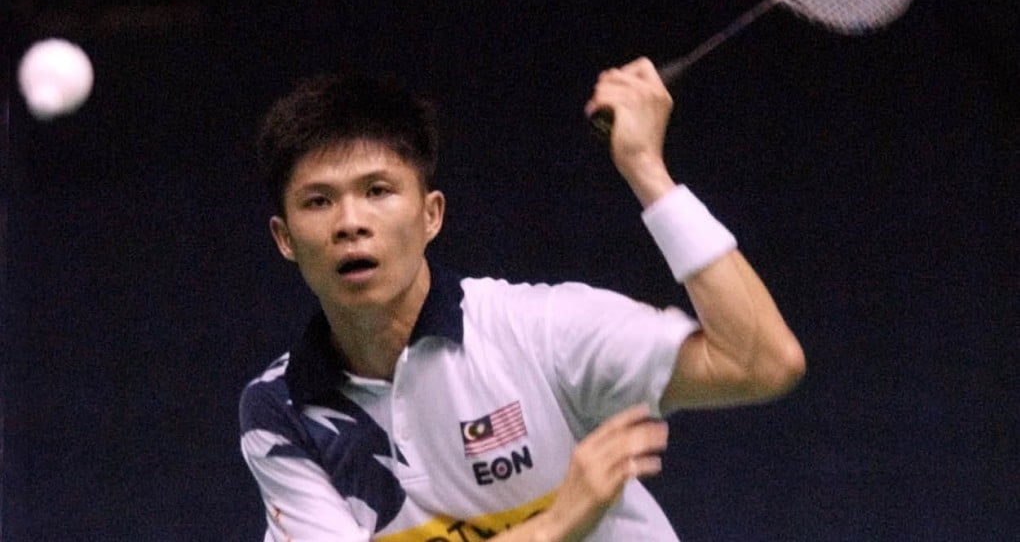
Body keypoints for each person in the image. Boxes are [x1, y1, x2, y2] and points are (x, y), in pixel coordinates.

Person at [239, 57, 806, 541]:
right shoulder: (280, 411)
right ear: (284, 238)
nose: (350, 223)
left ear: (431, 215)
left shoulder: (538, 332)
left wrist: (647, 171)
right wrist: (553, 527)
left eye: (377, 191)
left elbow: (759, 364)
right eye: (318, 202)